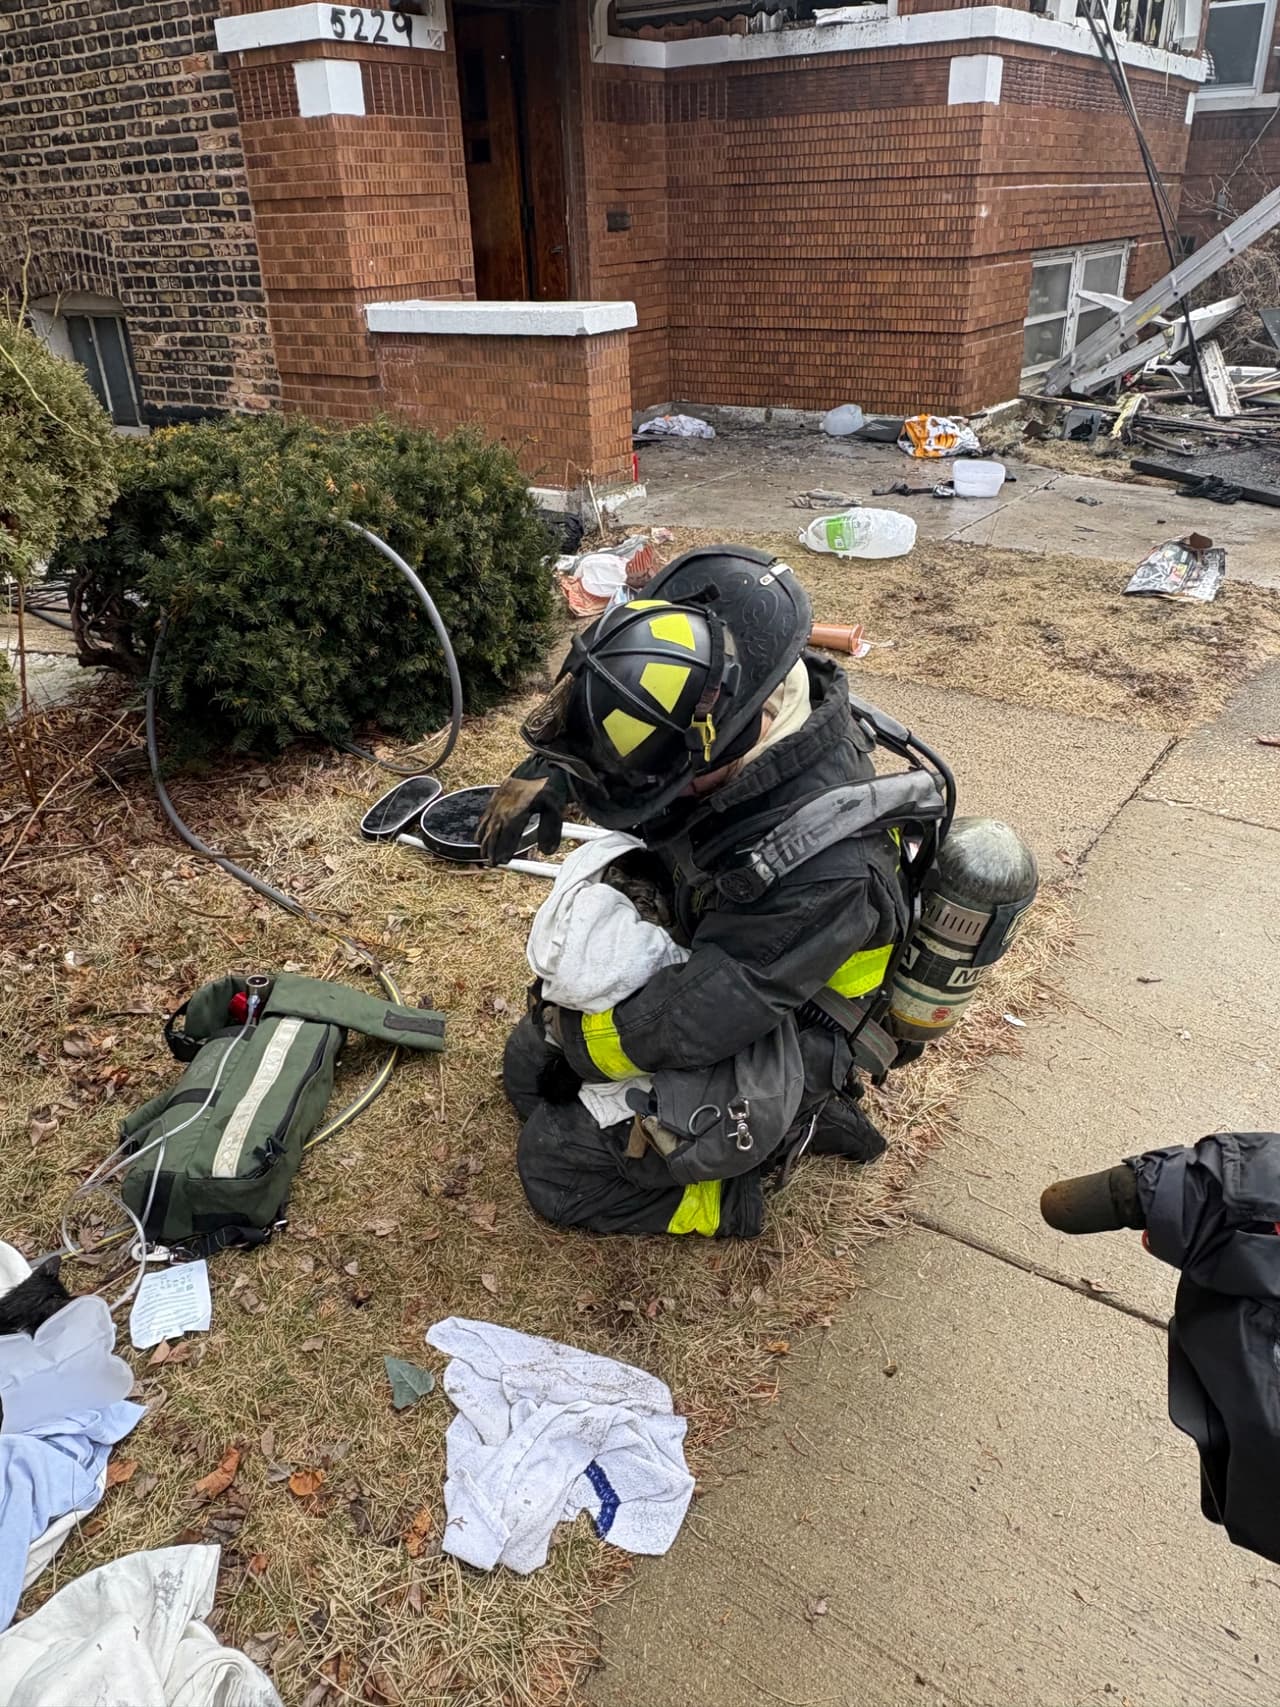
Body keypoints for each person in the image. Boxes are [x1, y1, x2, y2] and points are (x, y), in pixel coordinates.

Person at [480, 547, 942, 1239]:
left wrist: (573, 1042)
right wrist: (555, 770)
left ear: (725, 741)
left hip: (795, 1025)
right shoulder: (735, 663)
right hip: (729, 950)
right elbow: (640, 700)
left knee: (554, 1164)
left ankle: (757, 1170)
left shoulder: (826, 867)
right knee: (524, 1073)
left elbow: (693, 1018)